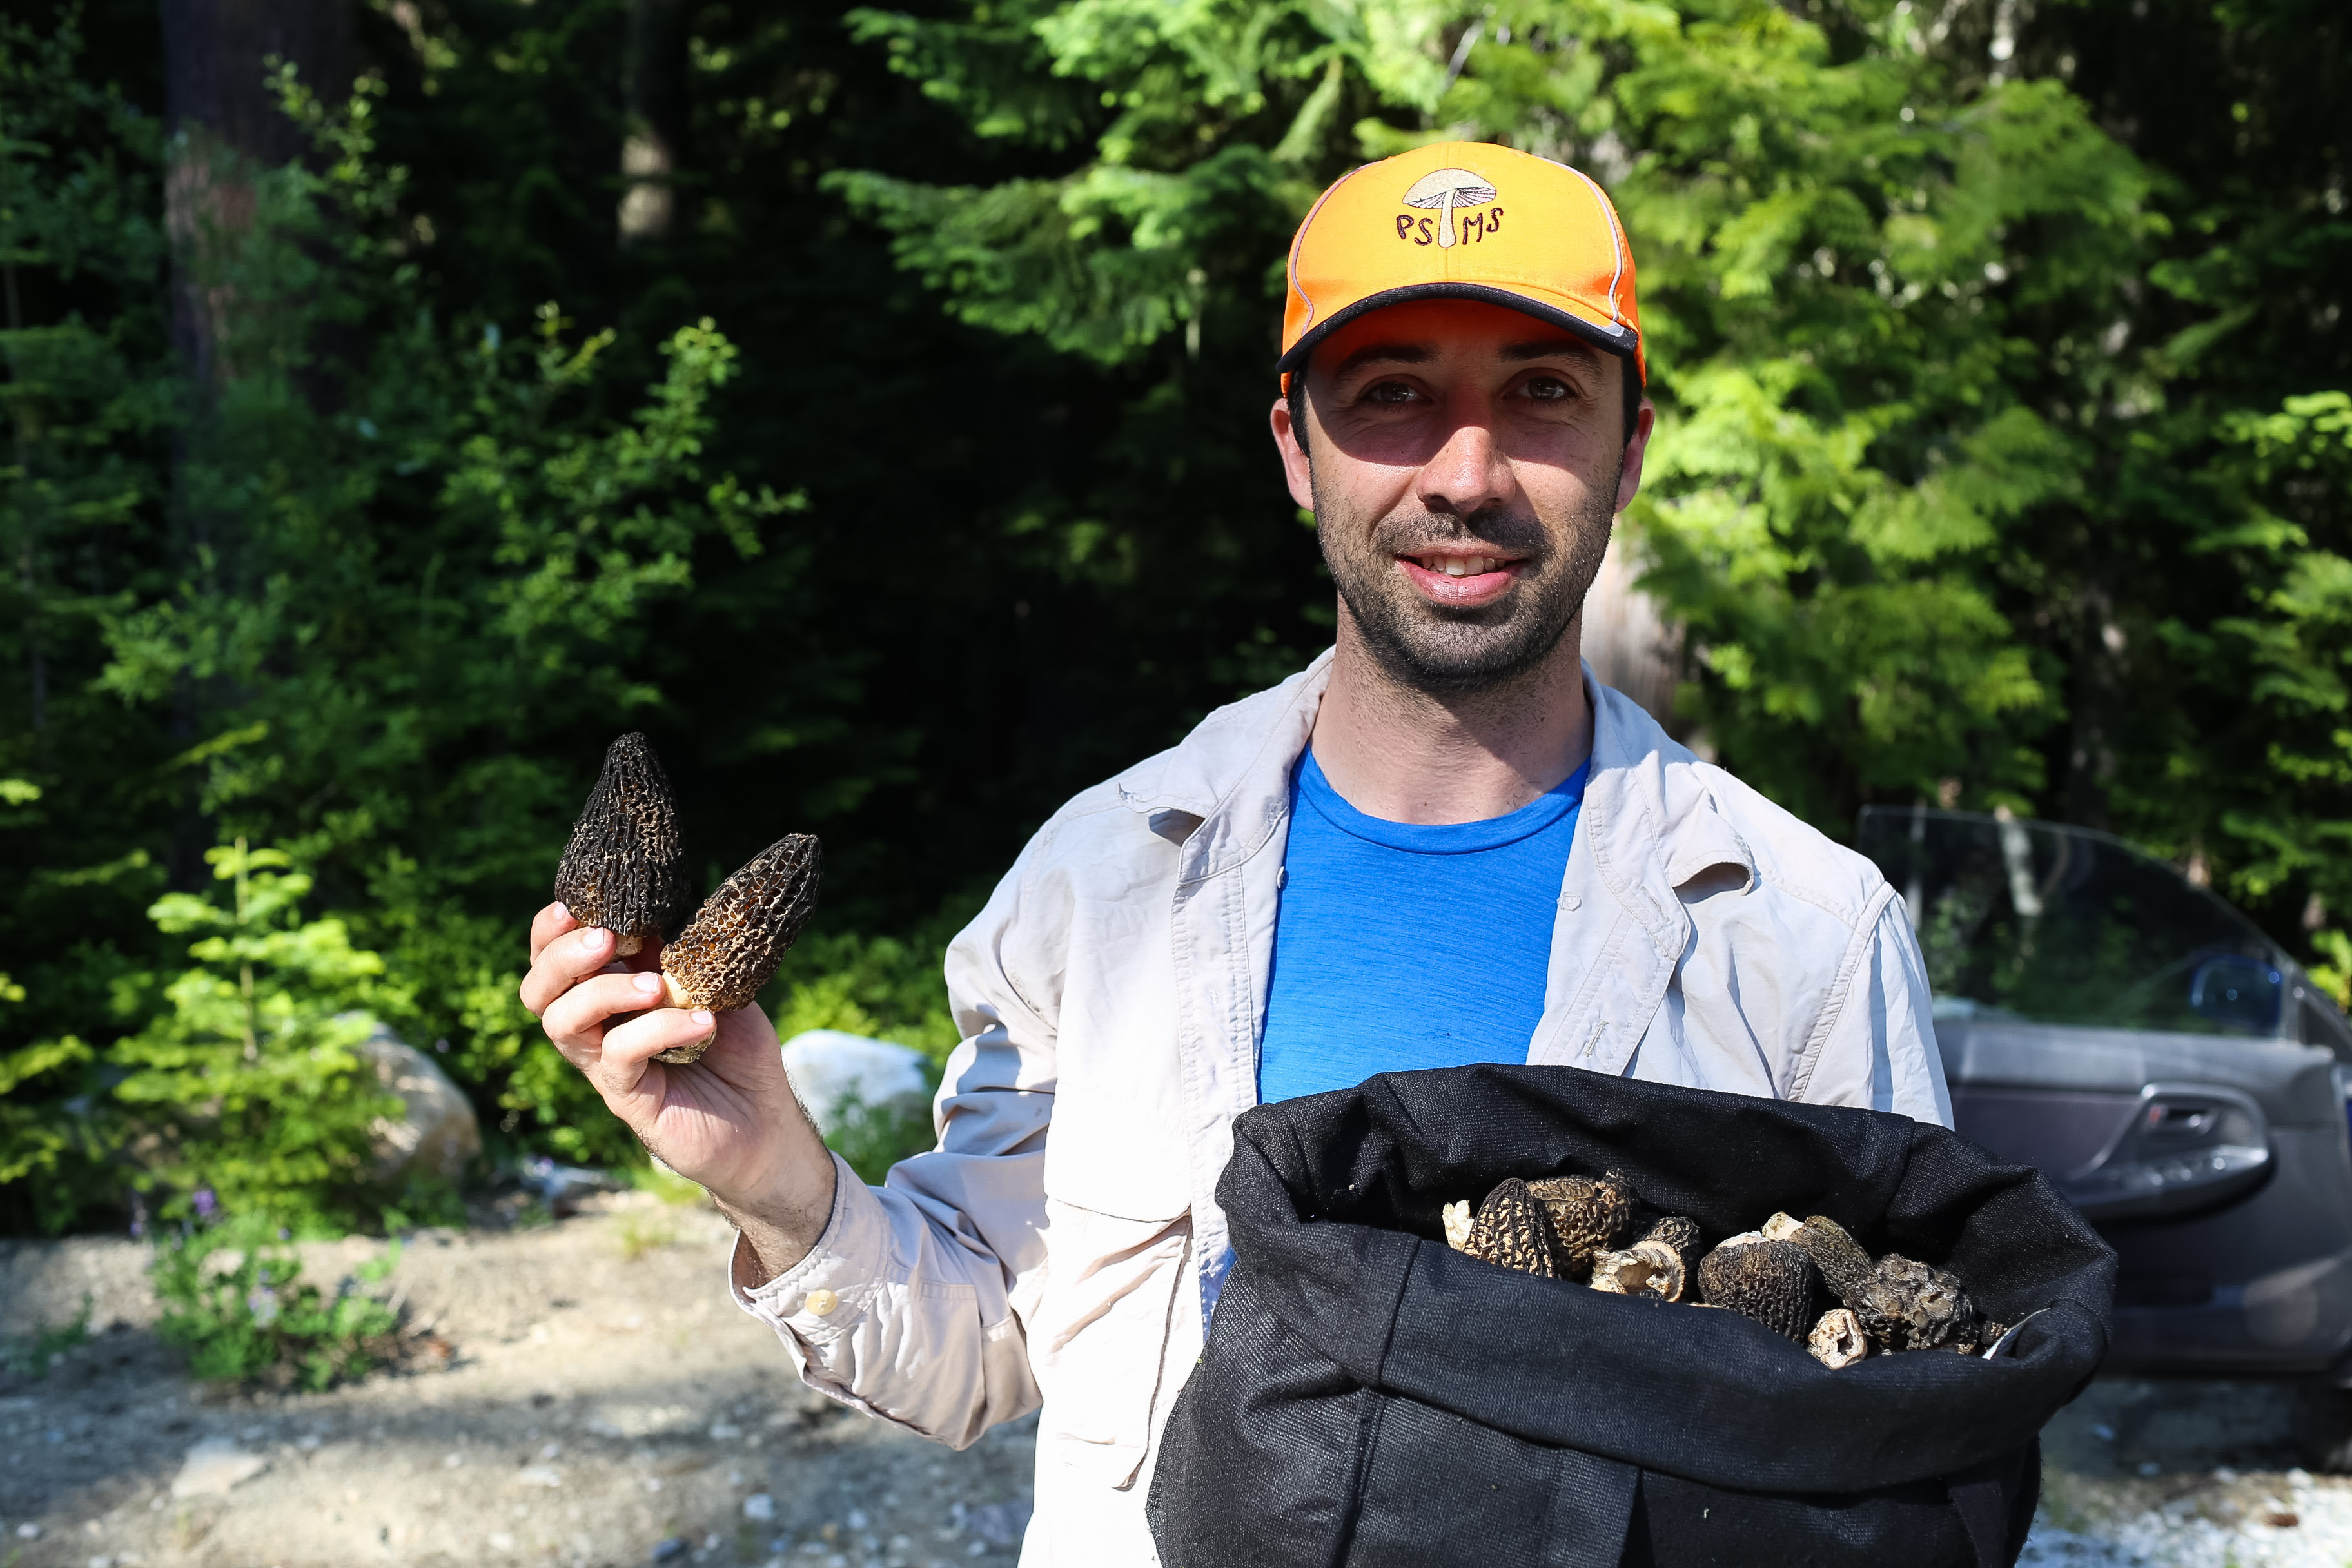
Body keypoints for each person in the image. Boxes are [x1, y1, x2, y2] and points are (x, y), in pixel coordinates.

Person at [520, 141, 1952, 1566]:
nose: (1467, 471)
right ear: (1293, 450)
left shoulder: (1808, 937)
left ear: (1627, 445)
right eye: (1392, 396)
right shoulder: (1104, 880)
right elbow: (981, 1346)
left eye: (1542, 393)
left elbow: (1910, 1438)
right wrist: (776, 1176)